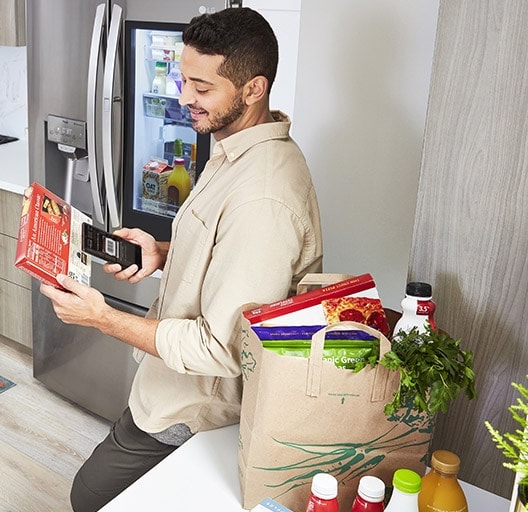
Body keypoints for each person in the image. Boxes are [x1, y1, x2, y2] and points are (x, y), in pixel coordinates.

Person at [39, 7, 323, 512]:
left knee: (89, 497)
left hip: (194, 408)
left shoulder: (263, 199)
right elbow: (224, 254)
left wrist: (102, 317)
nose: (184, 97)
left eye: (202, 86)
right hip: (165, 383)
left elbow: (220, 348)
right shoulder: (237, 148)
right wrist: (162, 251)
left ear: (253, 89)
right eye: (182, 79)